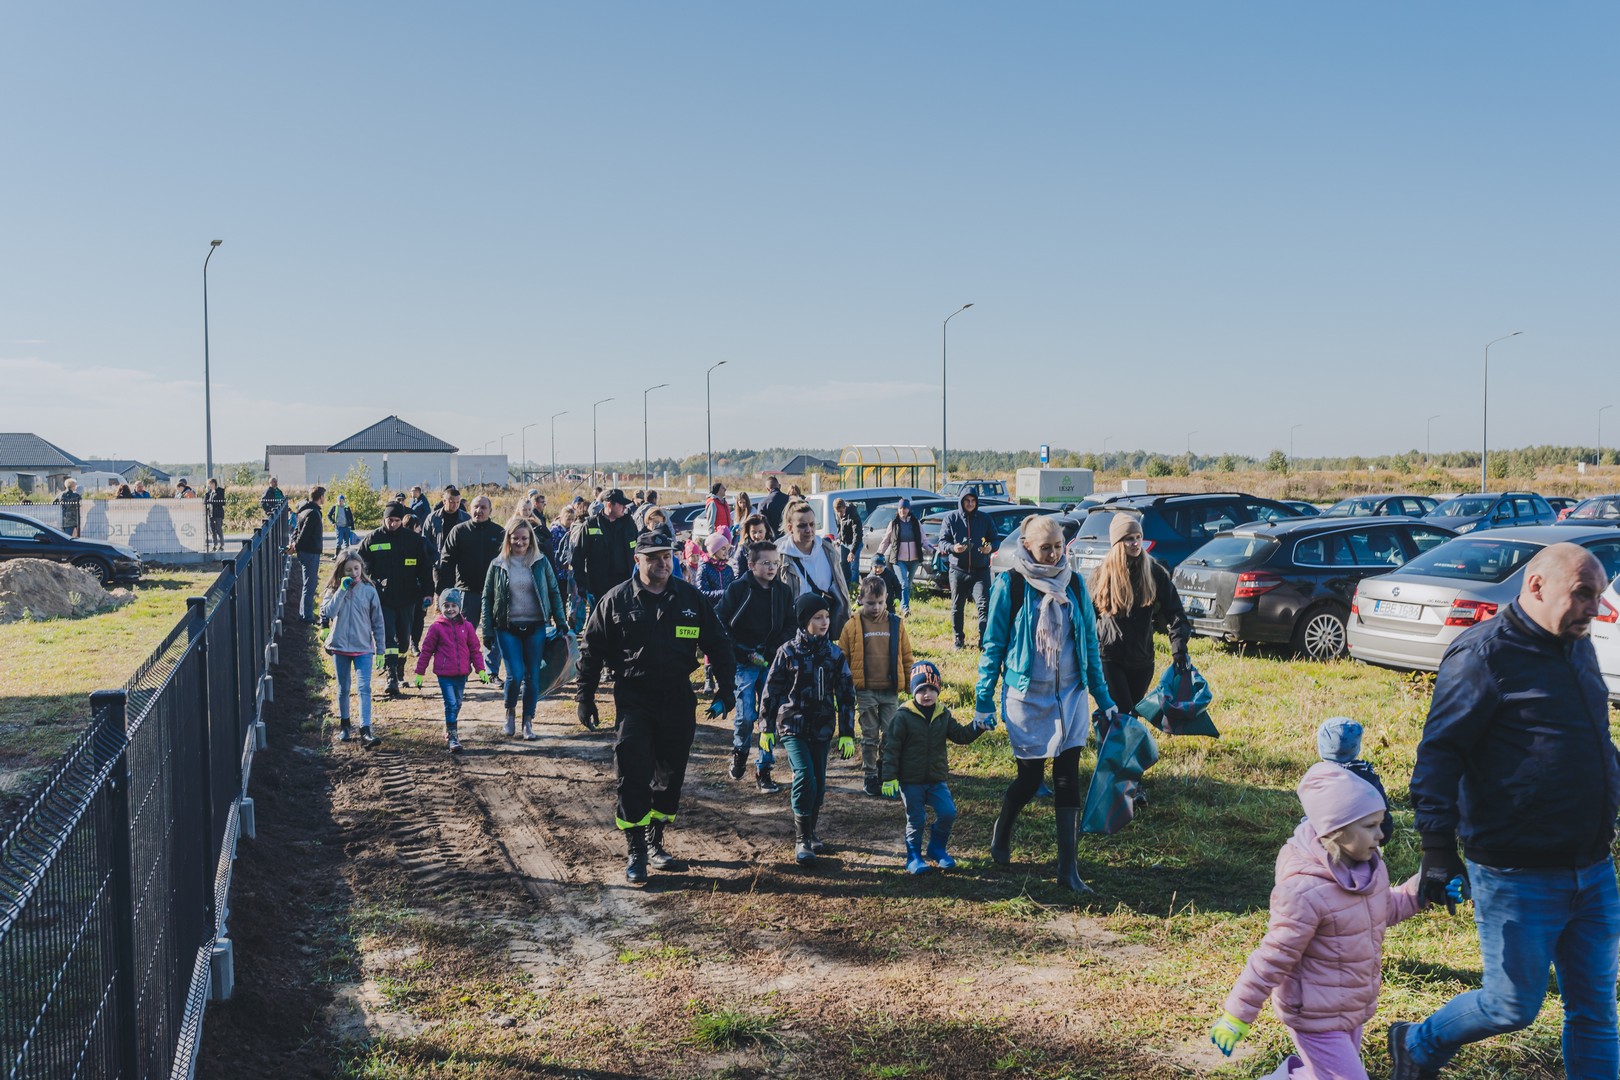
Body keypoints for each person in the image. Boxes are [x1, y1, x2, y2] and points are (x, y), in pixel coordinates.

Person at [1389, 543, 1620, 1080]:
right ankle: (1418, 1044)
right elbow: (1440, 755)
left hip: (1592, 865)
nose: (1596, 608)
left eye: (1601, 596)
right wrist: (1438, 853)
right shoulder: (1484, 655)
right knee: (1510, 1006)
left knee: (1596, 1010)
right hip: (1516, 870)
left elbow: (1588, 742)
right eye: (1583, 594)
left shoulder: (1578, 647)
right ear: (1536, 587)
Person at [1209, 762, 1425, 1078]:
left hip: (1349, 1008)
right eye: (1370, 826)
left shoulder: (1369, 870)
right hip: (1312, 1015)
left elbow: (1385, 909)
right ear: (1336, 831)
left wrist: (1424, 889)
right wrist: (1237, 1014)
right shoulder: (1304, 892)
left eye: (1380, 824)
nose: (1381, 834)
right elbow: (1272, 958)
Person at [577, 532, 737, 885]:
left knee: (670, 773)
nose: (662, 563)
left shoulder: (690, 598)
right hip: (634, 697)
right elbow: (592, 651)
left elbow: (719, 643)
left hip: (678, 697)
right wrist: (585, 696)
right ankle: (636, 849)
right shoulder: (615, 601)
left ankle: (655, 838)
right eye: (653, 557)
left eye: (667, 556)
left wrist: (727, 690)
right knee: (632, 770)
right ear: (638, 561)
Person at [974, 515, 1118, 894]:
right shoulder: (1012, 584)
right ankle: (1002, 832)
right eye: (1046, 548)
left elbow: (1089, 644)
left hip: (1070, 695)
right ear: (1027, 547)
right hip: (1027, 696)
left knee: (1068, 775)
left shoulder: (1075, 585)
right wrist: (983, 699)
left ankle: (1068, 870)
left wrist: (1104, 700)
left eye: (1058, 547)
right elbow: (993, 646)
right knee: (1031, 778)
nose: (1054, 555)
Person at [761, 592, 857, 865]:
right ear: (804, 621)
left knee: (819, 783)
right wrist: (766, 727)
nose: (825, 622)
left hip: (823, 728)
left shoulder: (834, 654)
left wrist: (848, 732)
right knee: (804, 775)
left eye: (827, 616)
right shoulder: (787, 652)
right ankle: (801, 839)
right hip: (793, 725)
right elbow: (772, 690)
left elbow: (846, 695)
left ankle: (812, 830)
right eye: (818, 617)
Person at [880, 661, 987, 874]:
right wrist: (888, 776)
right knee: (916, 818)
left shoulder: (943, 714)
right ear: (913, 692)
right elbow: (890, 748)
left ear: (938, 690)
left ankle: (937, 848)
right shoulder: (903, 716)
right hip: (910, 781)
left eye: (931, 689)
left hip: (936, 779)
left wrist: (977, 727)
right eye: (921, 690)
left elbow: (960, 735)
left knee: (948, 812)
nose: (927, 694)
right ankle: (913, 856)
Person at [1091, 514, 1190, 742]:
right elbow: (1086, 618)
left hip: (1142, 658)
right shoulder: (1101, 575)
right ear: (1117, 544)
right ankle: (1115, 769)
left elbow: (1176, 612)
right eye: (1128, 539)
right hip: (1110, 657)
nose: (1135, 543)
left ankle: (1123, 767)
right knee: (1122, 712)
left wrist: (1179, 649)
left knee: (1132, 715)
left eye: (1138, 537)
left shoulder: (1154, 571)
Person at [481, 516, 569, 739]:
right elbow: (487, 597)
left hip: (536, 626)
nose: (520, 542)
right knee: (515, 674)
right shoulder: (497, 564)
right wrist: (487, 630)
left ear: (530, 539)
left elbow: (553, 591)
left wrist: (561, 620)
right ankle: (509, 712)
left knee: (532, 676)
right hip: (507, 626)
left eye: (524, 538)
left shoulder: (540, 561)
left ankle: (527, 721)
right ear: (508, 539)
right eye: (515, 538)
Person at [718, 541, 795, 795]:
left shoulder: (782, 592)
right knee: (746, 715)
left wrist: (774, 652)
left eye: (775, 562)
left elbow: (790, 625)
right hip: (743, 660)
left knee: (768, 715)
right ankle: (740, 751)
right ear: (751, 565)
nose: (772, 567)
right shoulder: (738, 589)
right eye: (766, 563)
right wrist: (741, 652)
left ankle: (764, 768)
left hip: (772, 661)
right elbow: (720, 622)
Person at [837, 576, 914, 797]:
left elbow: (906, 656)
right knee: (870, 736)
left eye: (880, 602)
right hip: (865, 690)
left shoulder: (896, 624)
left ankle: (885, 770)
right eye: (870, 603)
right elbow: (842, 658)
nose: (876, 607)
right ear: (860, 599)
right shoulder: (852, 625)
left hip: (890, 691)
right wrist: (841, 689)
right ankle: (869, 774)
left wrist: (910, 683)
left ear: (887, 599)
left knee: (891, 733)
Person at [358, 501, 437, 695]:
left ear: (401, 520)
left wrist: (428, 591)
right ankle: (390, 675)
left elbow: (425, 569)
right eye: (389, 520)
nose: (392, 524)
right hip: (382, 598)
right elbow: (360, 565)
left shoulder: (413, 541)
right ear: (383, 519)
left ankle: (400, 666)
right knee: (388, 637)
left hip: (408, 597)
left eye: (396, 520)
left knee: (403, 638)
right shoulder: (372, 539)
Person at [437, 496, 507, 681]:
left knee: (493, 633)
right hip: (466, 592)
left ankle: (491, 672)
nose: (479, 511)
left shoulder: (499, 533)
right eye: (476, 507)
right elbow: (446, 561)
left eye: (483, 507)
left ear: (490, 510)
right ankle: (462, 669)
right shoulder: (459, 531)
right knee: (462, 633)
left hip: (494, 593)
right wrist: (444, 591)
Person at [413, 588, 489, 753]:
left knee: (458, 703)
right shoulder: (436, 628)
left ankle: (448, 727)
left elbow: (475, 650)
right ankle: (453, 737)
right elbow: (426, 650)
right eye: (446, 605)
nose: (450, 609)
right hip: (444, 673)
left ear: (459, 607)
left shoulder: (467, 627)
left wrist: (481, 670)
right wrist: (420, 672)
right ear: (441, 607)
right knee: (451, 703)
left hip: (462, 673)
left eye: (454, 605)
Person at [320, 553, 385, 747]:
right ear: (341, 571)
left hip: (363, 647)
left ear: (362, 568)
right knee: (343, 688)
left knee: (364, 688)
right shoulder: (333, 590)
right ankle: (345, 726)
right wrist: (341, 589)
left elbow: (378, 622)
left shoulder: (369, 591)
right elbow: (328, 613)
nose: (353, 573)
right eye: (348, 570)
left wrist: (380, 650)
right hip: (340, 647)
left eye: (356, 568)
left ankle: (365, 730)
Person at [774, 502, 852, 638]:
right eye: (802, 525)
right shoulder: (780, 556)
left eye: (812, 524)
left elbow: (841, 590)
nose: (808, 530)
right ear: (790, 527)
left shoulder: (827, 551)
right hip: (794, 631)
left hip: (825, 628)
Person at [1317, 717, 1394, 845]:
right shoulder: (1366, 773)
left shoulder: (1318, 776)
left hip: (1327, 836)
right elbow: (1382, 804)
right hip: (1367, 836)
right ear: (1356, 747)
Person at [939, 491, 995, 649]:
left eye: (973, 500)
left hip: (980, 570)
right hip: (958, 570)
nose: (970, 504)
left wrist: (990, 547)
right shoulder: (951, 519)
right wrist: (952, 547)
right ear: (961, 502)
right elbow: (942, 541)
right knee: (958, 606)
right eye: (966, 501)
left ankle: (983, 640)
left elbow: (995, 538)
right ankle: (958, 639)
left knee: (984, 605)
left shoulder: (984, 519)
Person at [573, 488, 638, 617]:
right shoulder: (591, 525)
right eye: (621, 504)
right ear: (609, 505)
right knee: (600, 625)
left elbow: (638, 552)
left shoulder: (629, 524)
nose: (625, 507)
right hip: (599, 588)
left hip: (625, 586)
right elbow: (578, 557)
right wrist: (583, 588)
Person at [875, 499, 929, 617]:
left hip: (914, 559)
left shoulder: (915, 522)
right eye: (900, 508)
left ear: (909, 509)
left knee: (908, 585)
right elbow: (886, 540)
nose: (902, 511)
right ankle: (905, 609)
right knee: (903, 583)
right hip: (899, 559)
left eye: (904, 508)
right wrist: (879, 553)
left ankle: (902, 602)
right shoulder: (894, 523)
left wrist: (929, 548)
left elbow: (923, 539)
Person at [287, 486, 327, 624]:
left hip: (305, 552)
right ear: (320, 497)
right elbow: (304, 534)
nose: (325, 499)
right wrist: (296, 546)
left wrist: (294, 545)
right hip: (310, 553)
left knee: (307, 584)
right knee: (310, 585)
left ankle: (304, 613)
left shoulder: (304, 511)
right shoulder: (313, 513)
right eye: (324, 496)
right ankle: (307, 617)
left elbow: (296, 531)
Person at [406, 516, 438, 653]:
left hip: (421, 587)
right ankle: (402, 642)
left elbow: (435, 555)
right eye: (417, 526)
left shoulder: (424, 541)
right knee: (405, 618)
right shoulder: (402, 541)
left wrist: (425, 562)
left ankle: (415, 644)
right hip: (405, 587)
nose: (419, 529)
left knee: (419, 617)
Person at [425, 485, 469, 551]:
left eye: (458, 502)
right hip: (438, 557)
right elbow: (425, 540)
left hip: (459, 558)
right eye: (452, 502)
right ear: (444, 501)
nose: (455, 505)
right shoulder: (432, 518)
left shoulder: (466, 518)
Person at [834, 498, 862, 591]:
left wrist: (853, 551)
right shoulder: (838, 514)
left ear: (845, 507)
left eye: (841, 511)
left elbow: (857, 534)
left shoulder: (853, 515)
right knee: (844, 565)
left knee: (853, 566)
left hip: (854, 543)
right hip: (844, 543)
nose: (840, 514)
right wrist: (839, 538)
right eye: (837, 512)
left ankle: (853, 589)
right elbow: (839, 527)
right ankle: (846, 588)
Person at [732, 514, 770, 579]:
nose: (757, 536)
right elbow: (738, 572)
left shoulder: (773, 547)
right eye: (754, 532)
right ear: (748, 532)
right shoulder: (743, 549)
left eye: (760, 532)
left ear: (766, 530)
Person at [203, 479, 225, 551]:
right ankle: (214, 545)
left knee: (218, 529)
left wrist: (212, 502)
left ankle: (221, 545)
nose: (209, 486)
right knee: (212, 530)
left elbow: (222, 502)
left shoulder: (220, 491)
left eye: (210, 484)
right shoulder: (209, 493)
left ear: (214, 483)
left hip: (218, 513)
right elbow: (206, 502)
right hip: (211, 514)